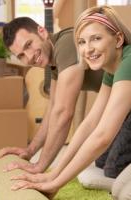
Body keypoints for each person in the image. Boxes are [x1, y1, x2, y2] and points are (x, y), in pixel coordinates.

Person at [9, 5, 131, 198]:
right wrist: (53, 175)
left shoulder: (128, 63)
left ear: (118, 39)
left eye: (96, 39)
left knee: (119, 185)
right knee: (104, 168)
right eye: (81, 42)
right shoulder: (111, 69)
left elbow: (100, 134)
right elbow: (90, 123)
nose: (87, 49)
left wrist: (54, 182)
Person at [0, 17, 103, 174]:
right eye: (21, 55)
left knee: (112, 167)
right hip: (122, 102)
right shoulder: (51, 60)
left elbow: (63, 113)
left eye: (29, 45)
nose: (29, 56)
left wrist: (39, 166)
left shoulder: (67, 44)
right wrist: (30, 150)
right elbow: (53, 106)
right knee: (102, 162)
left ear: (42, 31)